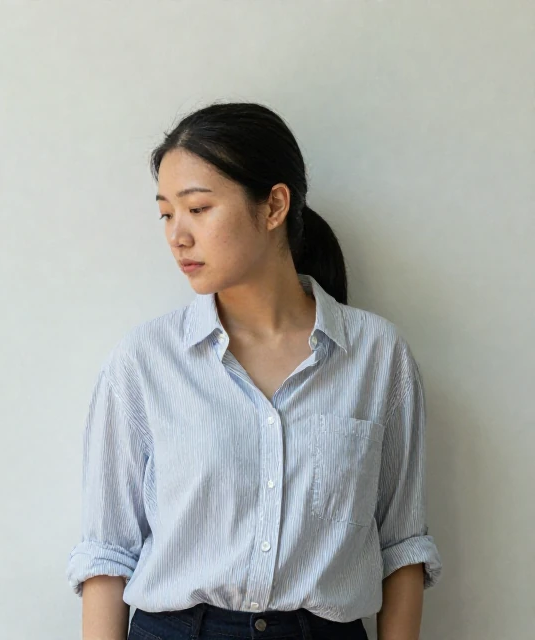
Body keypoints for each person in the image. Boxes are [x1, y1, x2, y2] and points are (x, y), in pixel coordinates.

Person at [66, 102, 441, 640]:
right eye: (166, 213)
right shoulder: (144, 362)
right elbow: (107, 553)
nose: (177, 235)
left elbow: (402, 546)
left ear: (274, 207)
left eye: (198, 208)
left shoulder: (378, 357)